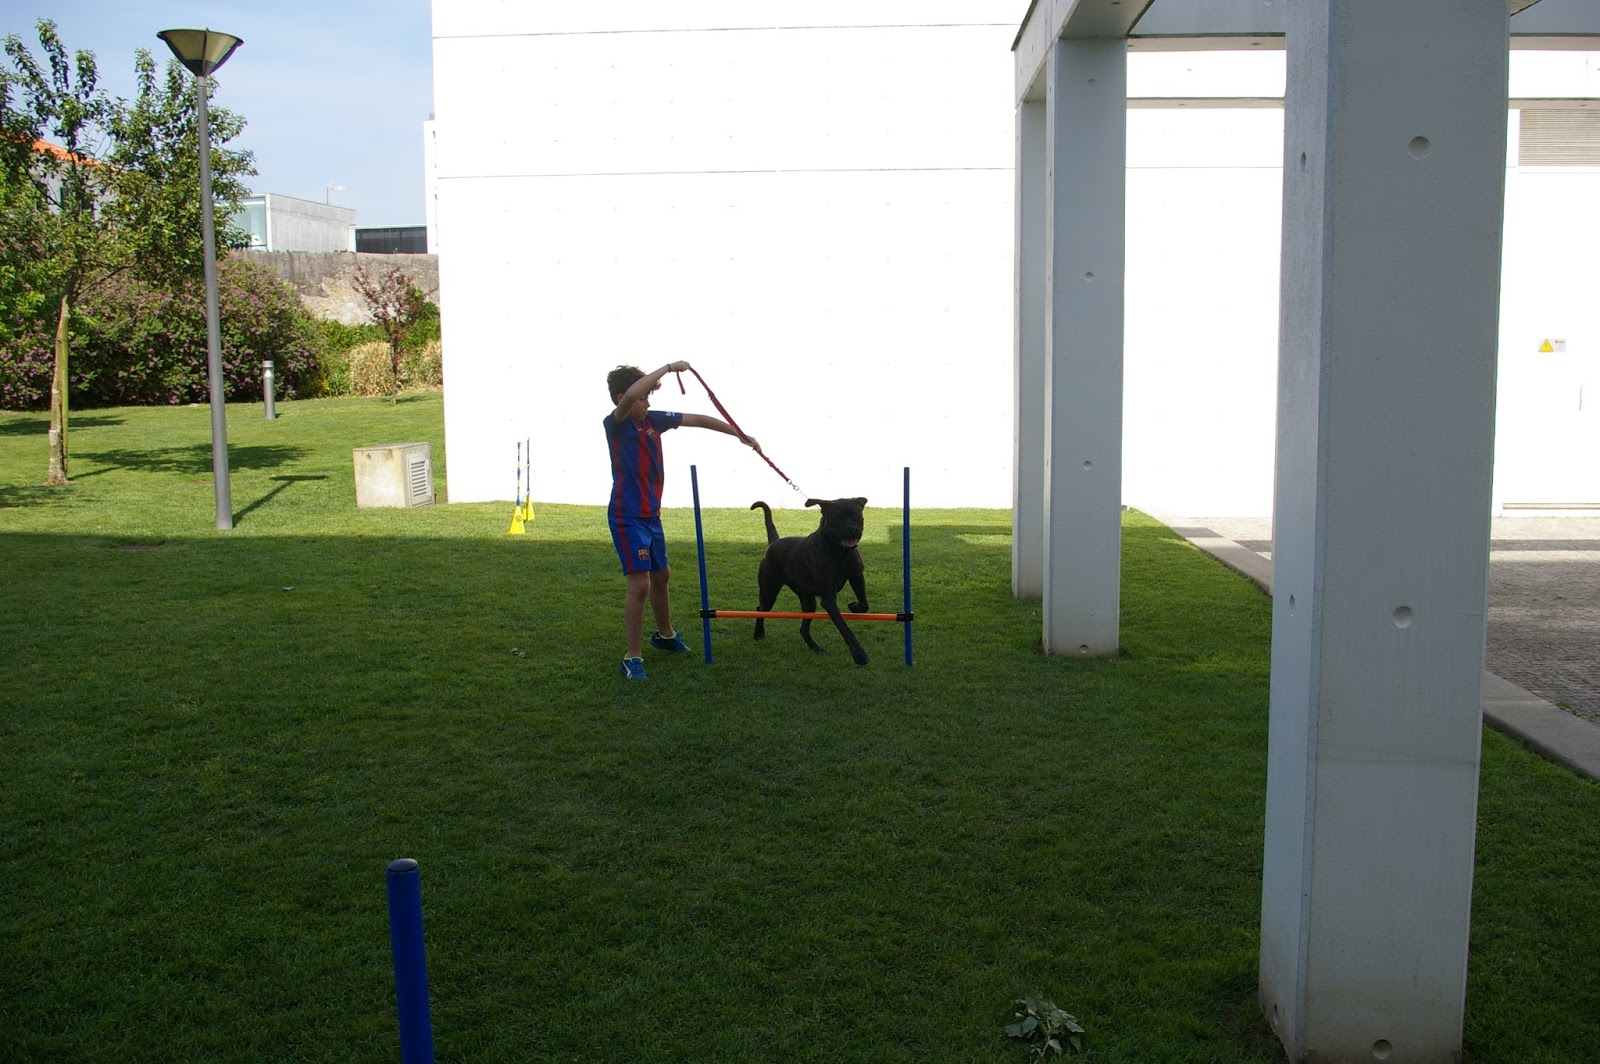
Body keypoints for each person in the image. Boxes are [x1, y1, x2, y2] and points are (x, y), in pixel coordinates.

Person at [604, 361, 760, 680]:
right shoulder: (616, 423)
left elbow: (699, 419)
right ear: (623, 399)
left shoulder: (653, 421)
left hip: (651, 516)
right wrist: (667, 368)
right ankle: (632, 657)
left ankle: (665, 636)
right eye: (644, 398)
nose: (647, 403)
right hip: (627, 516)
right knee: (640, 584)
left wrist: (740, 435)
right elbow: (632, 394)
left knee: (662, 575)